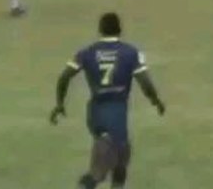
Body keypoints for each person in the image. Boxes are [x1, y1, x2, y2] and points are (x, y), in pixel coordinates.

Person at [50, 12, 166, 189]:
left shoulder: (87, 52)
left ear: (100, 30)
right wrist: (155, 100)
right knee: (100, 169)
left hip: (96, 111)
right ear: (120, 29)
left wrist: (59, 104)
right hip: (116, 113)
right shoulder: (130, 52)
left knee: (121, 157)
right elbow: (145, 82)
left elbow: (64, 77)